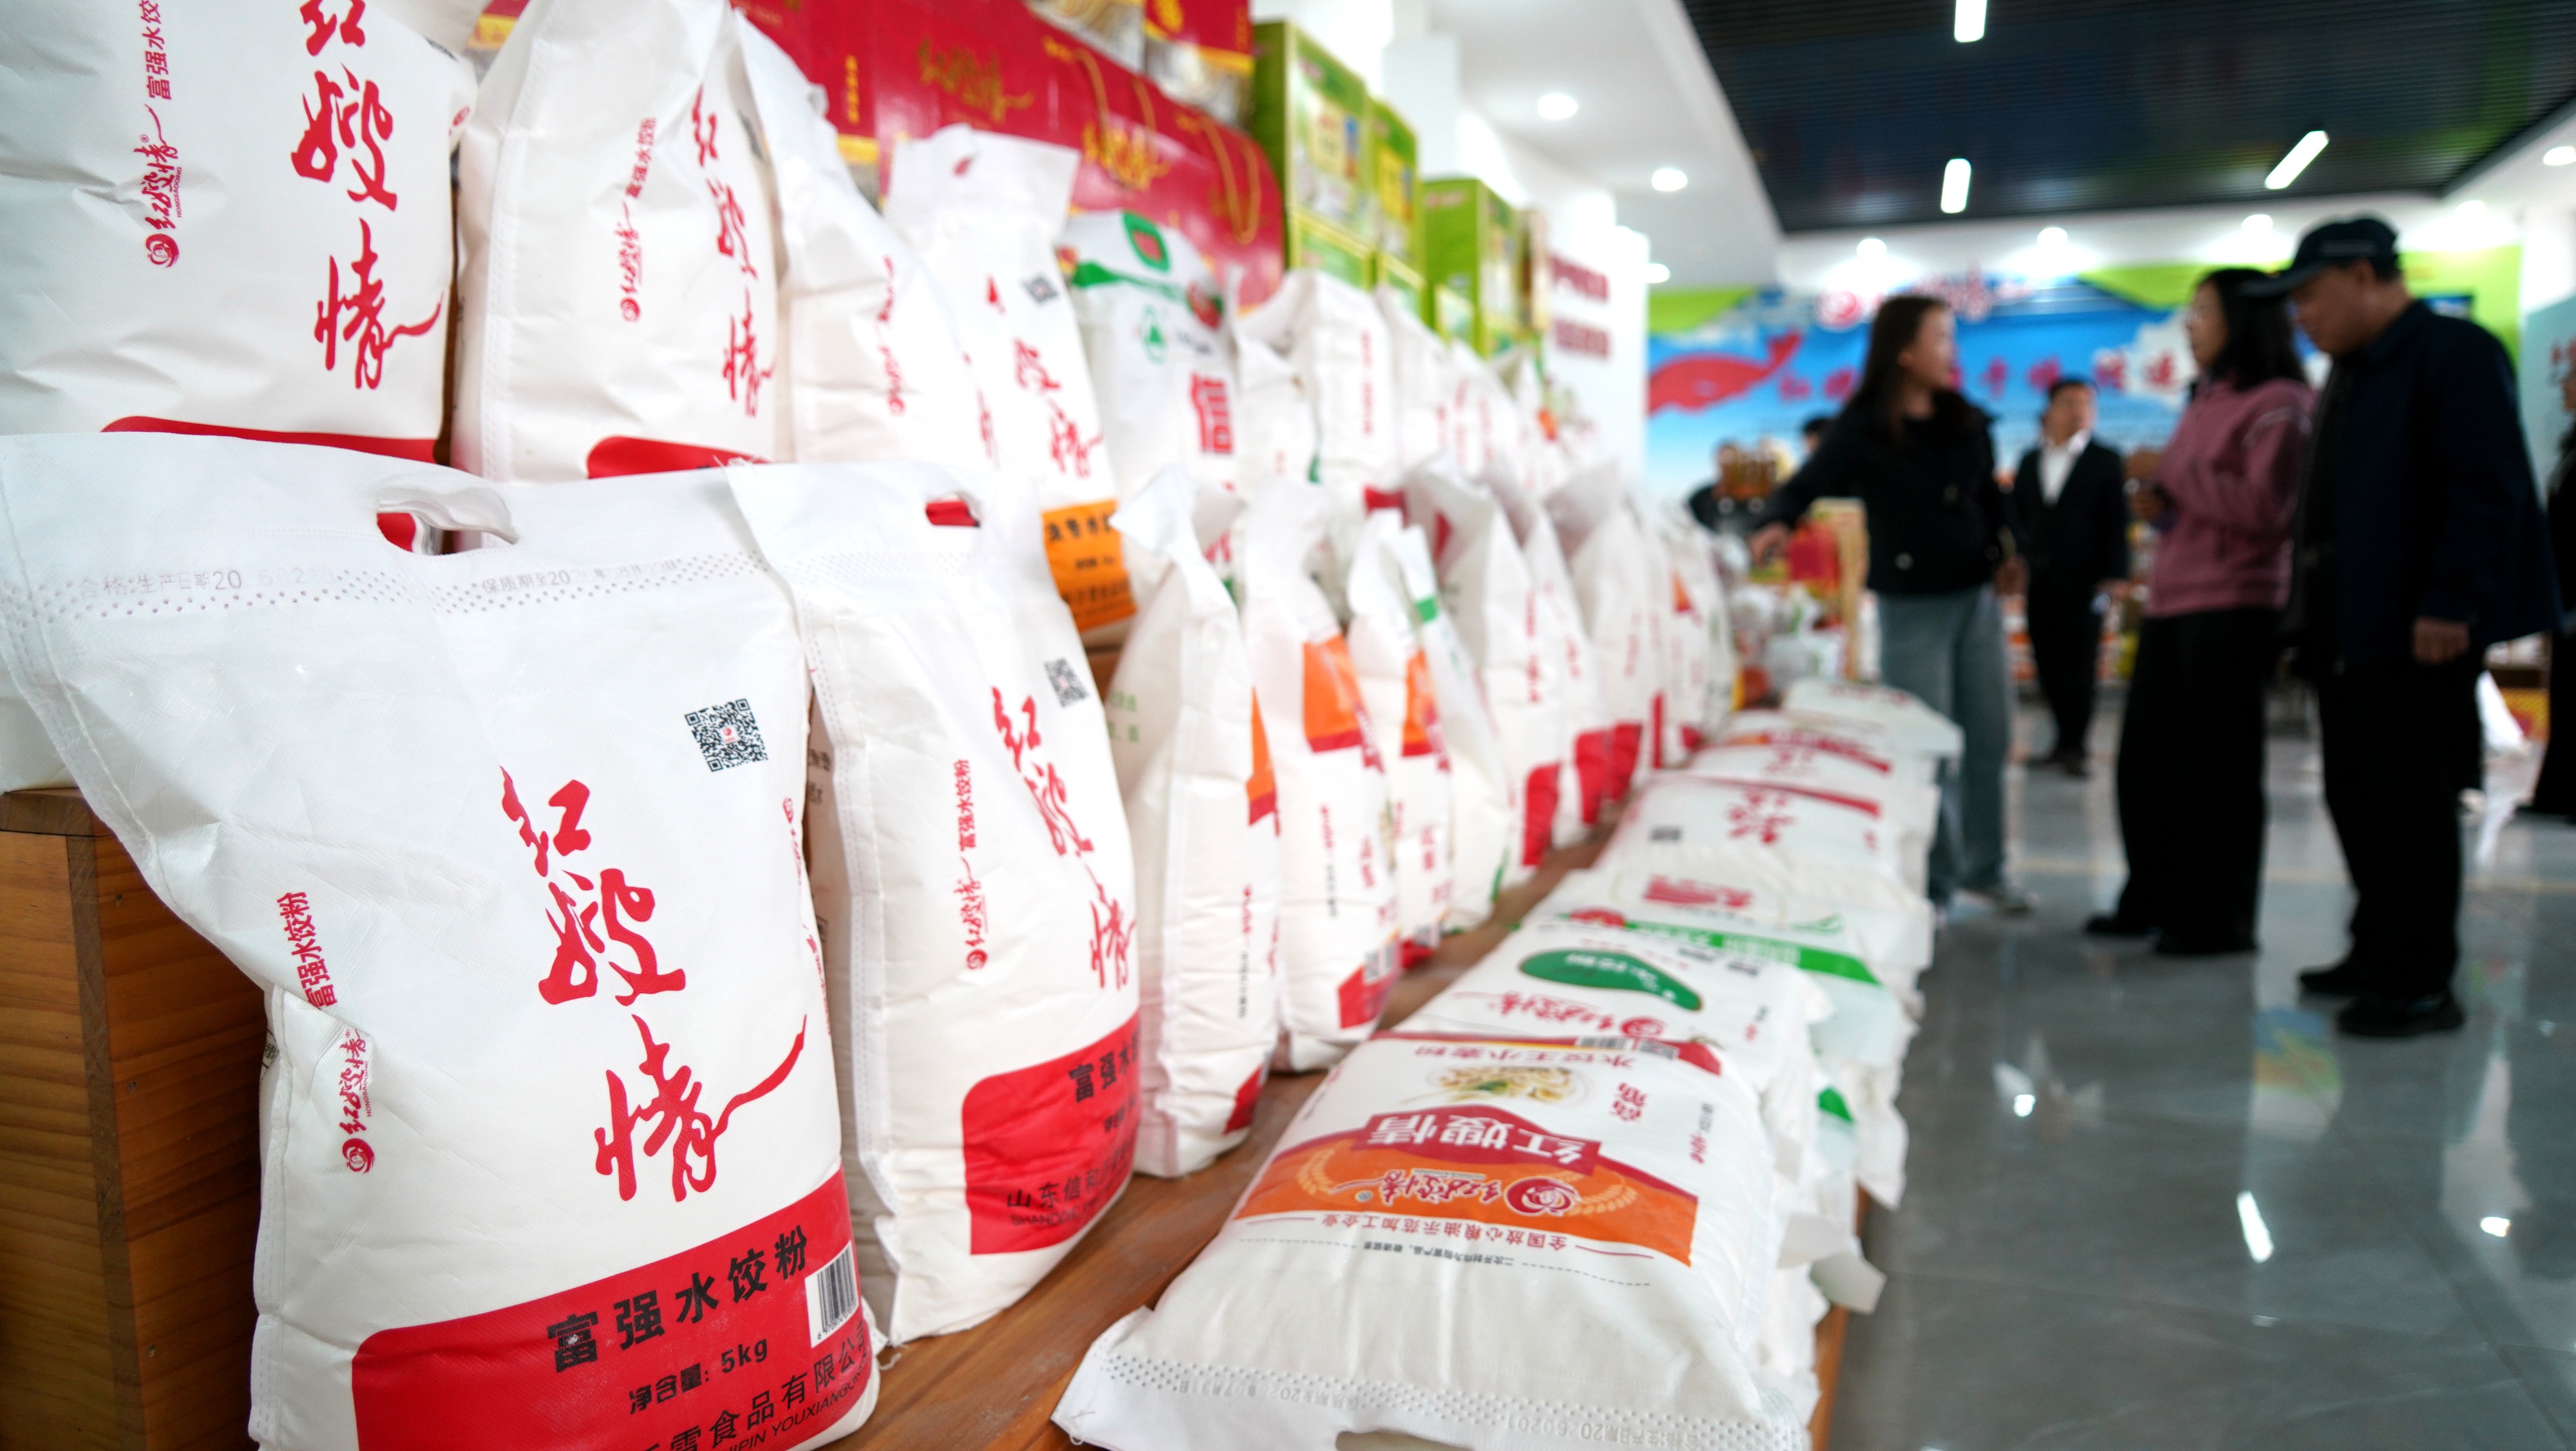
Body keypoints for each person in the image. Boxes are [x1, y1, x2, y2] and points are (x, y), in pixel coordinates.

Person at [2262, 216, 2561, 1037]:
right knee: (2355, 794)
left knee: (2410, 805)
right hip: (2349, 623)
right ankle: (2376, 948)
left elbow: (2486, 486)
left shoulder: (2451, 354)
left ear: (2364, 276)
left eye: (2310, 297)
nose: (2301, 317)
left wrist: (2451, 600)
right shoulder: (2356, 369)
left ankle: (2421, 981)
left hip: (2414, 626)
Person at [1750, 296, 2033, 914]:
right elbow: (1806, 485)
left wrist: (2013, 548)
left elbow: (1993, 498)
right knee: (1926, 748)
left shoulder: (1966, 420)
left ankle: (1986, 868)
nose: (1952, 352)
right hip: (1912, 609)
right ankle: (1933, 883)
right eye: (1941, 337)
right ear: (1905, 350)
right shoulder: (1862, 430)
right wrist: (1776, 520)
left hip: (1977, 599)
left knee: (1989, 736)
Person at [2087, 269, 2311, 954]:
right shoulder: (2206, 397)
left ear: (2243, 320)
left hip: (2235, 603)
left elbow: (2267, 511)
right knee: (2147, 763)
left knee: (2215, 771)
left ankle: (2216, 919)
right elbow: (2198, 498)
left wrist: (2173, 472)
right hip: (2173, 598)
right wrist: (2161, 505)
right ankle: (2151, 897)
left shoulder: (2282, 404)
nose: (2191, 325)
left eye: (2204, 312)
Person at [2014, 379, 2131, 775]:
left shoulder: (2105, 459)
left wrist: (2116, 576)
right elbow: (2019, 517)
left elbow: (2117, 523)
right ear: (2049, 410)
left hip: (2090, 583)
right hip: (2041, 580)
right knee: (2046, 659)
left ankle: (2076, 747)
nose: (2079, 410)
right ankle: (2060, 741)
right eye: (2069, 402)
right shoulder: (2030, 460)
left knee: (2081, 662)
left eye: (2086, 404)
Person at [2522, 364, 2576, 817]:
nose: (2564, 386)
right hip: (2565, 592)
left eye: (2571, 377)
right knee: (2564, 690)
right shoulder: (2570, 445)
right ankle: (2557, 790)